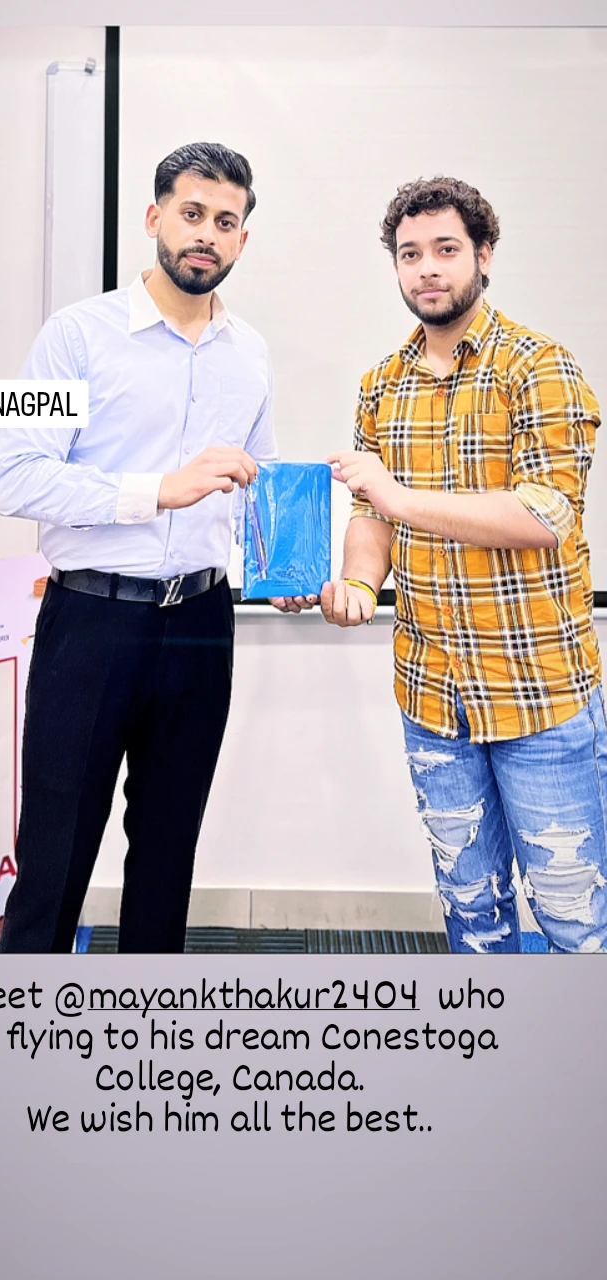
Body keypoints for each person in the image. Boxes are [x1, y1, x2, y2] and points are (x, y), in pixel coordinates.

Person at [287, 175, 606, 953]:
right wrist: (358, 583)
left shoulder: (540, 367)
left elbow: (544, 515)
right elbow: (371, 514)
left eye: (446, 250)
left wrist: (397, 496)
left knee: (575, 924)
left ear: (483, 255)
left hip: (539, 698)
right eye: (410, 254)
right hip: (432, 697)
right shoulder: (380, 386)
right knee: (472, 917)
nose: (427, 268)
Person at [0, 141, 276, 953]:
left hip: (202, 623)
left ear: (242, 239)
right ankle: (17, 1022)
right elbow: (15, 478)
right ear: (155, 218)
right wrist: (156, 490)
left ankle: (150, 1017)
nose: (207, 234)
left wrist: (281, 572)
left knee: (168, 848)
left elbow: (253, 490)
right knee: (55, 851)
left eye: (226, 221)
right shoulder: (77, 336)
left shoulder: (250, 353)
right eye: (192, 213)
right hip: (92, 619)